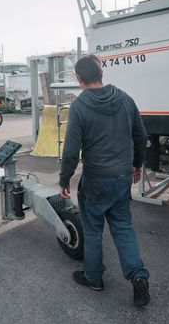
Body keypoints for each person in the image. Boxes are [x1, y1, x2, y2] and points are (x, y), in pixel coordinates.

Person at [59, 55, 150, 306]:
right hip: (121, 178)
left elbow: (70, 152)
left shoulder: (79, 107)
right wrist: (136, 165)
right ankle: (138, 275)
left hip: (96, 180)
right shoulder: (125, 99)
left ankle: (94, 278)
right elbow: (141, 136)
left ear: (79, 79)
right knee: (123, 227)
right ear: (102, 74)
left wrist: (64, 179)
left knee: (93, 230)